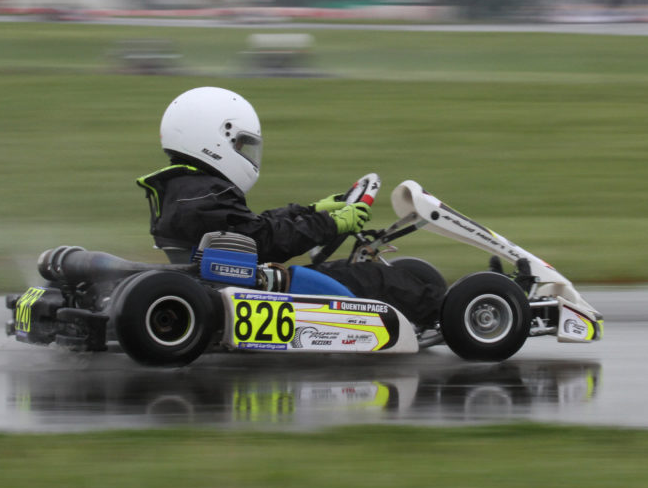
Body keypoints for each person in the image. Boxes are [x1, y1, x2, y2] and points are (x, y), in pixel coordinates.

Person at [136, 86, 444, 326]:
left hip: (231, 283)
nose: (247, 154)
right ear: (217, 138)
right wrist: (332, 224)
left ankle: (436, 303)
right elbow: (265, 242)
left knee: (355, 272)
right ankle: (454, 313)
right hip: (248, 289)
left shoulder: (191, 189)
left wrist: (311, 210)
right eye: (241, 145)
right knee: (374, 280)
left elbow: (251, 228)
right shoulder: (199, 196)